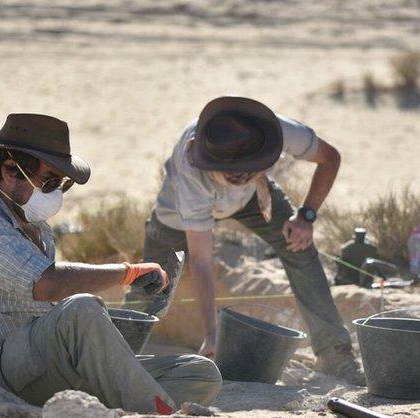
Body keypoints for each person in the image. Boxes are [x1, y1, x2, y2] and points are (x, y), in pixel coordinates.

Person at [0, 113, 221, 413]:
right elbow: (48, 285)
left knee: (198, 373)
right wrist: (128, 273)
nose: (56, 193)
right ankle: (155, 411)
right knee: (82, 309)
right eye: (50, 182)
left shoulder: (38, 227)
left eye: (61, 184)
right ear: (10, 171)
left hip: (44, 363)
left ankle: (122, 399)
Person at [125, 96, 363, 385]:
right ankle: (120, 350)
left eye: (249, 170)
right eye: (230, 173)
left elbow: (330, 158)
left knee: (299, 245)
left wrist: (307, 216)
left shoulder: (279, 131)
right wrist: (212, 336)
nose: (239, 177)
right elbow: (201, 260)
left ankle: (334, 353)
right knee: (155, 277)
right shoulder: (190, 169)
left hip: (253, 198)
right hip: (175, 213)